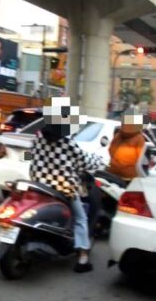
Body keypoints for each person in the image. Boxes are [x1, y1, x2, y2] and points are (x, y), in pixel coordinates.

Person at [29, 96, 104, 273]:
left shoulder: (38, 138)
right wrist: (100, 161)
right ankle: (83, 259)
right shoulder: (67, 143)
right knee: (81, 218)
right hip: (62, 188)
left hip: (38, 184)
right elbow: (84, 162)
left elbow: (30, 156)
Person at [107, 108, 147, 181]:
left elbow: (110, 150)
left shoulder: (118, 136)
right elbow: (138, 164)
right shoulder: (139, 139)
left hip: (112, 174)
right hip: (129, 177)